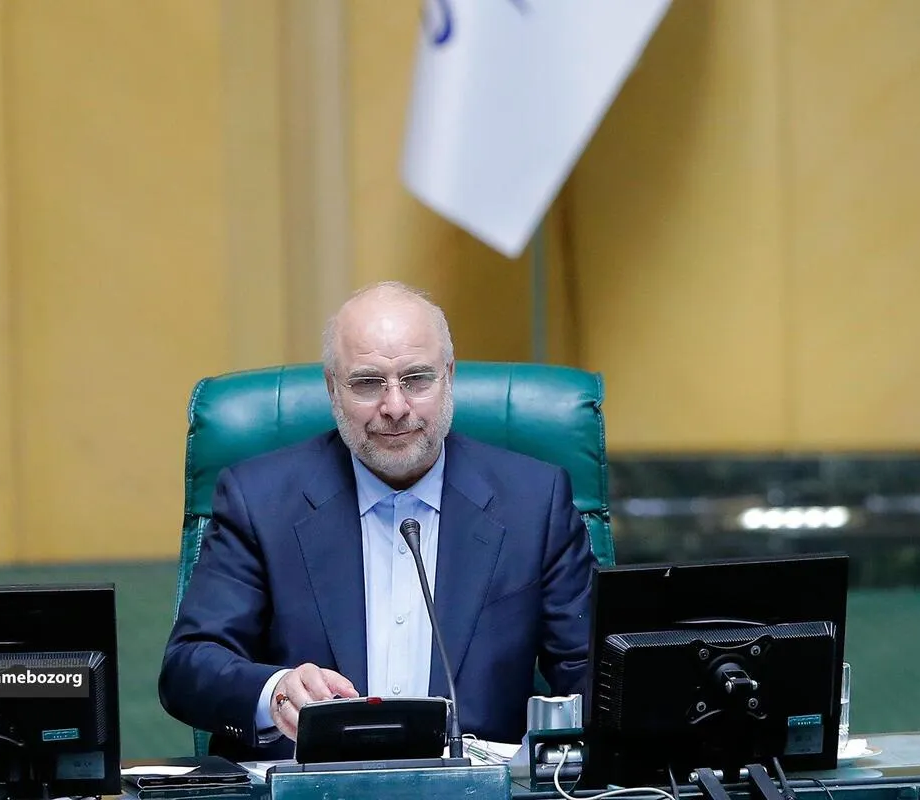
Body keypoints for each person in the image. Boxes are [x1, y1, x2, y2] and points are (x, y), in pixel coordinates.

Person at [158, 281, 595, 761]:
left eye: (417, 379)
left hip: (477, 787)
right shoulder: (259, 502)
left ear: (449, 377)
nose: (395, 408)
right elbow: (189, 667)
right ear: (332, 388)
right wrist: (276, 691)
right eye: (368, 383)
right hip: (314, 787)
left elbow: (593, 673)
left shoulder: (533, 503)